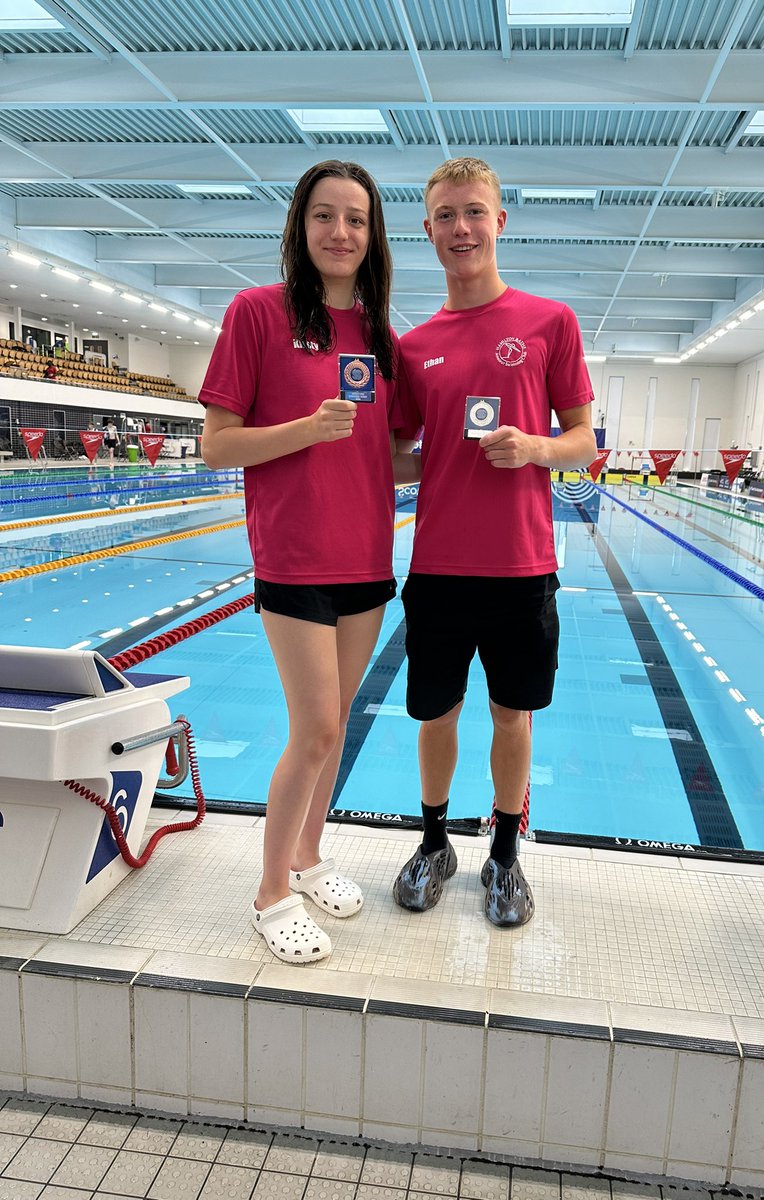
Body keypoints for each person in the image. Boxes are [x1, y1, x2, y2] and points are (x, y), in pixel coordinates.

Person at [199, 160, 398, 964]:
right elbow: (217, 446)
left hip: (367, 558)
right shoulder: (256, 313)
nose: (340, 232)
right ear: (299, 226)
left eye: (355, 218)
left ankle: (310, 859)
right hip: (293, 555)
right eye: (324, 216)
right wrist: (303, 430)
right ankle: (270, 891)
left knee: (339, 723)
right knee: (313, 728)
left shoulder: (381, 334)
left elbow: (386, 455)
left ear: (372, 234)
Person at [390, 157, 596, 927]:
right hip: (439, 566)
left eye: (474, 212)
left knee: (514, 716)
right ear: (428, 231)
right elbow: (406, 452)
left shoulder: (550, 323)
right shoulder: (416, 346)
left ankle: (504, 855)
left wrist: (535, 449)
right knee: (433, 716)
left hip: (521, 567)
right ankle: (435, 841)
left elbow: (582, 441)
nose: (461, 228)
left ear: (499, 221)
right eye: (445, 216)